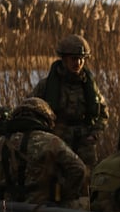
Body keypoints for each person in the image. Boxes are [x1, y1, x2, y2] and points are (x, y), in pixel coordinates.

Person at [31, 35, 108, 166]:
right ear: (64, 59)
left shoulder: (89, 87)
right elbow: (30, 110)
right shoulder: (47, 85)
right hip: (56, 141)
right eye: (73, 59)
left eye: (81, 59)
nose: (77, 63)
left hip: (85, 143)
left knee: (88, 179)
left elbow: (103, 113)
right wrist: (44, 136)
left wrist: (94, 134)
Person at [0, 97, 88, 205]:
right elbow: (79, 169)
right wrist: (63, 196)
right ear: (45, 118)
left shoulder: (2, 142)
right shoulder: (51, 141)